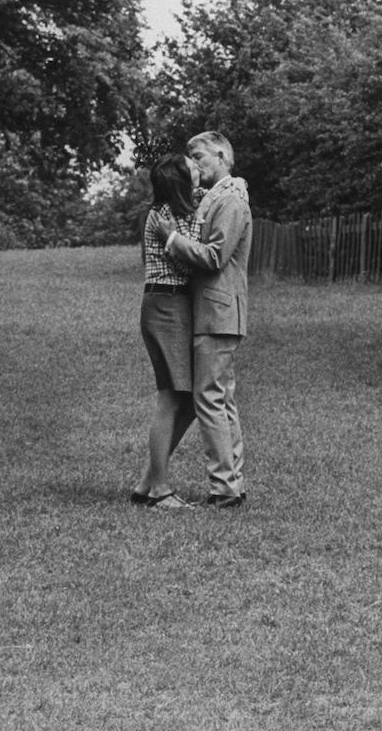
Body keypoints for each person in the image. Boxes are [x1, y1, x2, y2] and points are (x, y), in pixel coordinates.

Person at [152, 131, 252, 508]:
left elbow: (214, 257)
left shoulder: (229, 201)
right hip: (217, 312)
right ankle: (232, 485)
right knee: (221, 400)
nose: (193, 165)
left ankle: (224, 488)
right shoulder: (220, 198)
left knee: (209, 398)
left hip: (218, 312)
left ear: (222, 155)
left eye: (198, 156)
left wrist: (172, 240)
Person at [129, 153, 201, 510]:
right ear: (180, 180)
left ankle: (147, 482)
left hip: (176, 305)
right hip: (165, 303)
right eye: (193, 169)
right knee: (171, 397)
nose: (198, 172)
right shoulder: (163, 215)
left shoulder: (179, 212)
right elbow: (189, 259)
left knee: (187, 400)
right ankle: (159, 488)